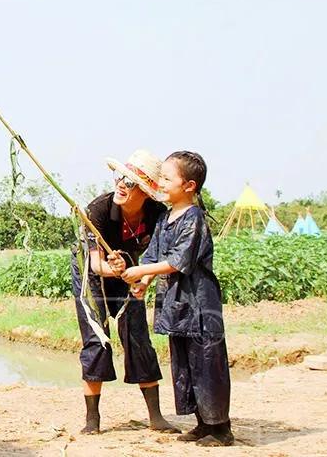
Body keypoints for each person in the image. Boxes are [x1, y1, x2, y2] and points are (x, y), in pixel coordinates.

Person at [121, 151, 234, 447]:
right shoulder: (165, 218)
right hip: (176, 304)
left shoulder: (193, 218)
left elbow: (177, 261)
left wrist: (141, 271)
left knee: (207, 364)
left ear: (189, 186)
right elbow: (154, 256)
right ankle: (202, 423)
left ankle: (220, 429)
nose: (160, 183)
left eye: (167, 178)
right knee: (186, 364)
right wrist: (144, 282)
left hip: (199, 303)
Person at [71, 149, 178, 435]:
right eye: (120, 177)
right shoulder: (97, 211)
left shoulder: (158, 215)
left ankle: (156, 417)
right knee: (97, 339)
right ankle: (92, 419)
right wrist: (117, 269)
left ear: (146, 191)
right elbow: (96, 265)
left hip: (130, 268)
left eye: (130, 182)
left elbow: (158, 258)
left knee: (137, 335)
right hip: (91, 273)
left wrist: (143, 281)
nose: (121, 184)